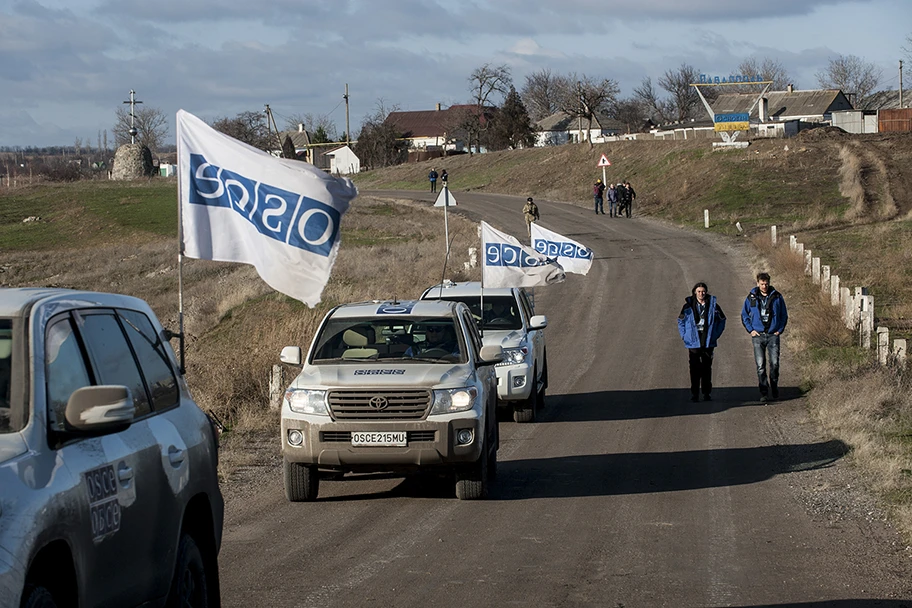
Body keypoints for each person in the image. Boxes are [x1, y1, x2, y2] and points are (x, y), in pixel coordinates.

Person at [741, 272, 788, 402]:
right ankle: (764, 391)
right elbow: (744, 315)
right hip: (758, 336)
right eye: (762, 284)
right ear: (757, 283)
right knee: (760, 365)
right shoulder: (751, 298)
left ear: (769, 283)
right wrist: (751, 330)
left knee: (774, 363)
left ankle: (774, 385)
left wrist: (779, 330)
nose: (764, 286)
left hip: (773, 335)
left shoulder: (777, 297)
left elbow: (784, 315)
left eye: (766, 283)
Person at [678, 282, 726, 402]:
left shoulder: (713, 306)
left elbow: (722, 320)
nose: (701, 294)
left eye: (703, 291)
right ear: (695, 292)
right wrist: (684, 336)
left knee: (706, 368)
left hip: (708, 340)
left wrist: (715, 334)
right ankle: (694, 394)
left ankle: (706, 393)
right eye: (699, 291)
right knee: (694, 369)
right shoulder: (687, 306)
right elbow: (680, 321)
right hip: (693, 341)